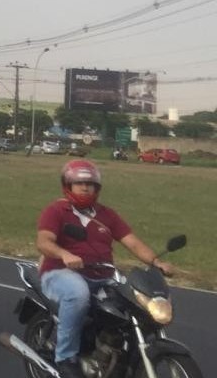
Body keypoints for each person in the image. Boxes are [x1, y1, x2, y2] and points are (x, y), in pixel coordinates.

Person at [35, 160, 176, 378]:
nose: (84, 187)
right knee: (78, 293)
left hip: (103, 274)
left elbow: (133, 243)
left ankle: (116, 351)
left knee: (134, 302)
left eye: (90, 183)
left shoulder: (107, 215)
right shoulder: (56, 211)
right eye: (79, 183)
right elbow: (44, 242)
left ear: (97, 187)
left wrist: (156, 262)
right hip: (60, 273)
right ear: (68, 185)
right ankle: (65, 358)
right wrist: (65, 254)